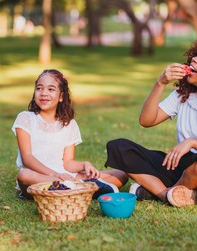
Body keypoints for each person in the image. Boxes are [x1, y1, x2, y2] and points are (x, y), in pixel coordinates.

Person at [105, 35, 197, 207]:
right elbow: (146, 120)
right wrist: (160, 83)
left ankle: (163, 191)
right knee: (119, 147)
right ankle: (167, 195)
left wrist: (192, 143)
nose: (195, 59)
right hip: (178, 166)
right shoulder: (182, 95)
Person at [12, 69, 128, 200]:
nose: (44, 93)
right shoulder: (26, 118)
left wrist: (84, 165)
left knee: (120, 174)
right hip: (39, 178)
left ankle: (73, 187)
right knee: (24, 175)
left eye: (51, 89)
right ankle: (80, 188)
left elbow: (68, 163)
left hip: (65, 176)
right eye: (39, 88)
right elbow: (27, 158)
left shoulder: (69, 124)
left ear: (61, 96)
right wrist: (55, 175)